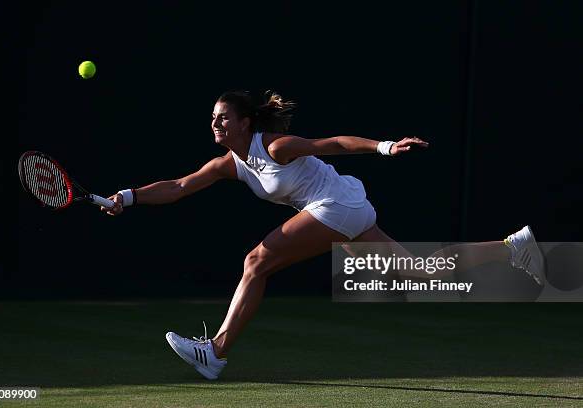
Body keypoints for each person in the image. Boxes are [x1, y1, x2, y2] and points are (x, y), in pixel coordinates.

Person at [101, 90, 544, 380]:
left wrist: (383, 146)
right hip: (344, 209)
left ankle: (215, 351)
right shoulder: (229, 165)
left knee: (256, 261)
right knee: (423, 273)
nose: (214, 125)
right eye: (212, 119)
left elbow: (332, 144)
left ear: (244, 122)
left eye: (222, 118)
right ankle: (512, 248)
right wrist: (127, 196)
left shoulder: (274, 145)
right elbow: (178, 187)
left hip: (337, 205)